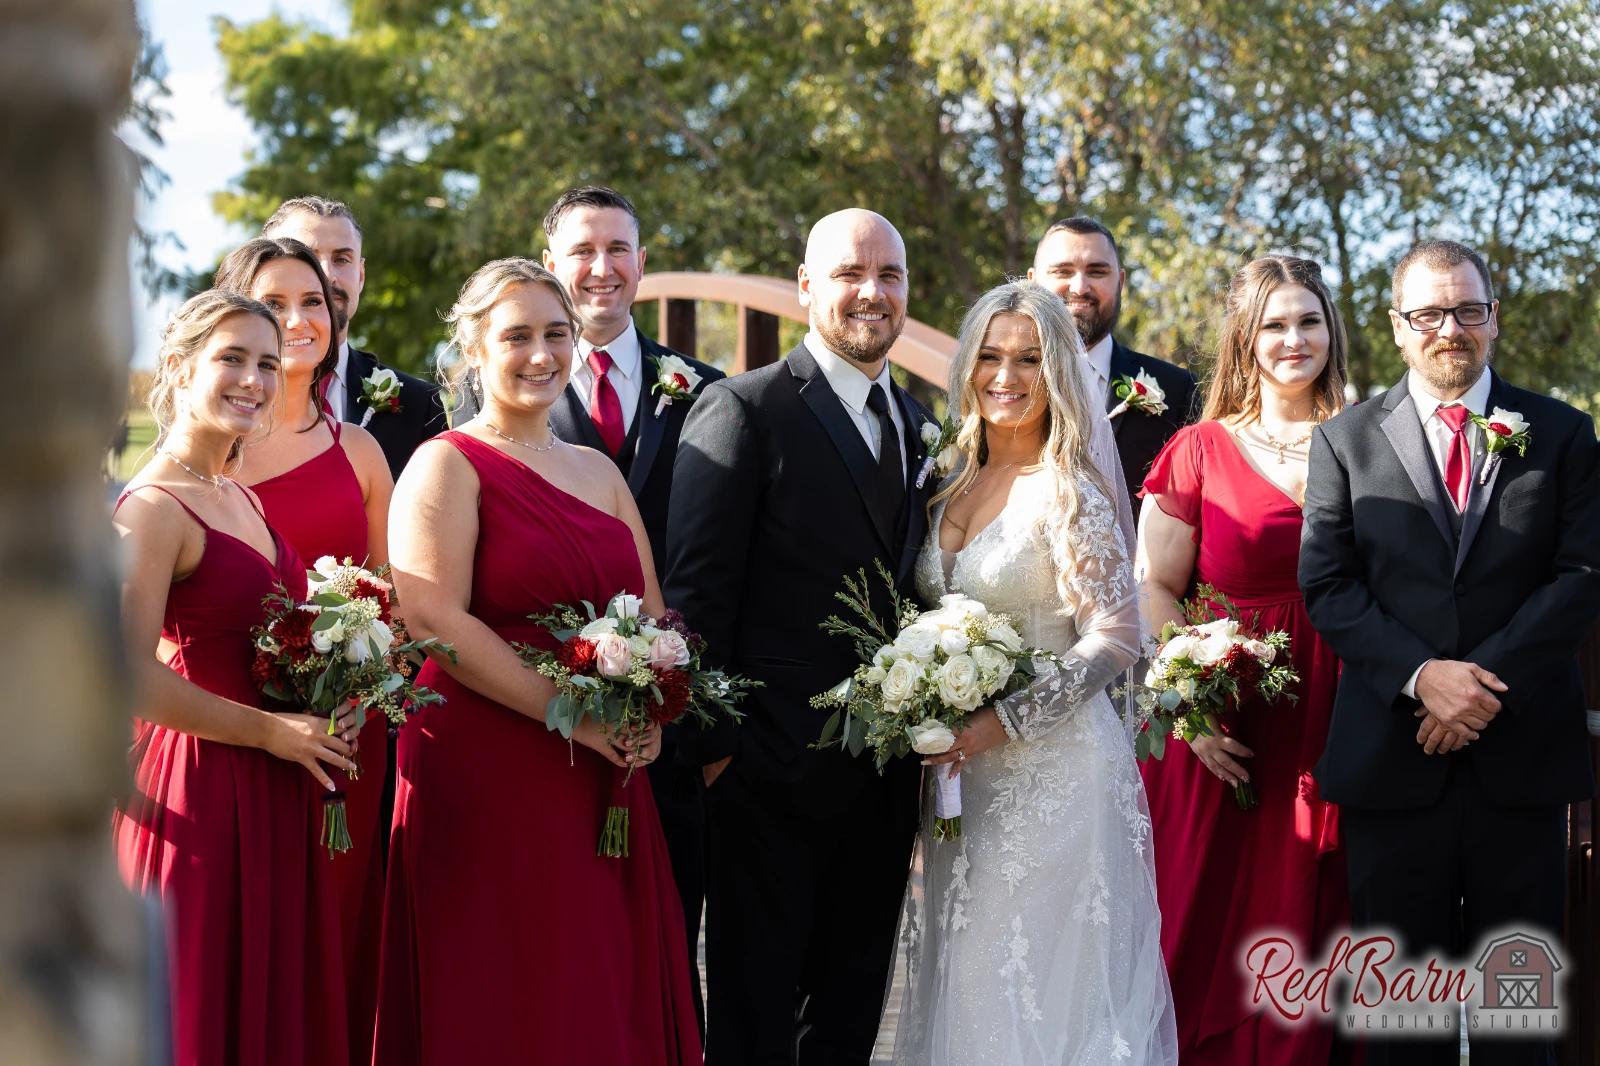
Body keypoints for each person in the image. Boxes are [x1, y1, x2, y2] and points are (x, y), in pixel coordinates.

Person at [371, 258, 700, 1065]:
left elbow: (653, 612)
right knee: (506, 985)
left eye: (557, 333)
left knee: (598, 983)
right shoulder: (445, 463)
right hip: (487, 766)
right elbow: (433, 618)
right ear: (474, 349)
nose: (541, 354)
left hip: (603, 769)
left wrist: (653, 708)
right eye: (516, 336)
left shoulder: (599, 472)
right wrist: (572, 716)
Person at [1300, 240, 1600, 1066]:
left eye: (1468, 309)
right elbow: (1328, 586)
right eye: (1429, 312)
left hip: (1522, 770)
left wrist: (1479, 691)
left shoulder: (1564, 434)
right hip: (1393, 770)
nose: (1450, 328)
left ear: (1494, 318)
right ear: (1398, 327)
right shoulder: (1345, 442)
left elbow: (1582, 576)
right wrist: (1423, 679)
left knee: (1519, 1027)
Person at [665, 208, 935, 1065]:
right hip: (765, 779)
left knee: (848, 1023)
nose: (872, 292)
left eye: (889, 275)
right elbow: (695, 597)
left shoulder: (921, 422)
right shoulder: (744, 407)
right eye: (850, 274)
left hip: (885, 780)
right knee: (754, 1026)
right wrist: (720, 752)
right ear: (806, 286)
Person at [892, 280, 1176, 1064]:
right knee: (971, 982)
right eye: (990, 356)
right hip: (964, 784)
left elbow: (1118, 635)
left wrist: (1003, 722)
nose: (1006, 376)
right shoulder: (948, 480)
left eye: (1029, 360)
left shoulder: (1068, 491)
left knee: (1037, 992)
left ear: (1058, 374)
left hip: (1056, 776)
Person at [112, 290, 359, 1065]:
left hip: (275, 783)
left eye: (267, 363)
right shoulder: (152, 508)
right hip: (202, 789)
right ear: (179, 367)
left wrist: (332, 691)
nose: (255, 380)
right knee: (204, 1008)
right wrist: (269, 731)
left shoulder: (240, 495)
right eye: (231, 358)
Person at [1136, 254, 1349, 1063]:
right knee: (1203, 929)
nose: (1294, 340)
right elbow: (1155, 586)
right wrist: (1188, 710)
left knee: (1322, 927)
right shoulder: (1197, 448)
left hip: (1339, 717)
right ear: (1244, 340)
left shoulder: (1369, 442)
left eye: (1309, 321)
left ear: (1332, 332)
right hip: (1227, 727)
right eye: (1274, 325)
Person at [541, 186, 725, 1022]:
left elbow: (724, 563)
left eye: (618, 249)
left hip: (673, 729)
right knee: (564, 949)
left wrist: (697, 721)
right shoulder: (487, 396)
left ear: (643, 264)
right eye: (582, 250)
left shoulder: (711, 394)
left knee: (669, 949)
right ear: (551, 264)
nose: (601, 267)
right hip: (549, 720)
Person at [212, 237, 393, 1066]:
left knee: (340, 943)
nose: (298, 319)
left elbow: (397, 605)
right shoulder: (206, 459)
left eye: (312, 301)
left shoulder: (361, 452)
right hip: (236, 741)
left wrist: (363, 688)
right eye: (274, 303)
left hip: (349, 740)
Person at [262, 196, 446, 478]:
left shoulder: (419, 404)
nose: (327, 275)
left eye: (341, 259)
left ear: (360, 275)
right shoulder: (231, 393)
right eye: (307, 258)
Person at [1027, 217, 1197, 512]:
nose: (1080, 287)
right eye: (1062, 271)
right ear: (1033, 281)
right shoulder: (999, 383)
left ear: (1120, 282)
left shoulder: (1177, 390)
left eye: (1097, 271)